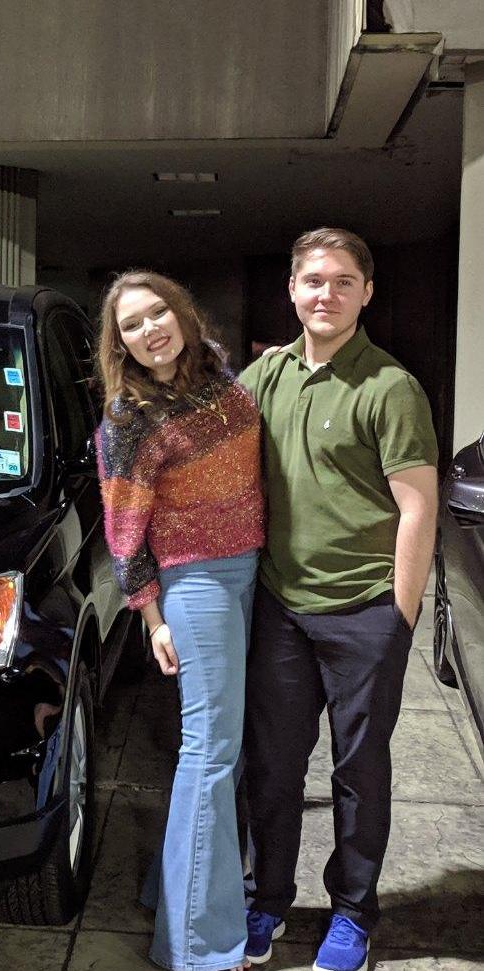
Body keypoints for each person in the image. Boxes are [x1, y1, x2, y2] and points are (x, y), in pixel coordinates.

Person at [238, 228, 439, 971]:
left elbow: (417, 506)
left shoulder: (388, 386)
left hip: (362, 612)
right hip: (281, 607)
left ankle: (352, 914)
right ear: (291, 289)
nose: (326, 293)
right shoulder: (266, 377)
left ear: (365, 292)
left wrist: (400, 616)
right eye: (313, 280)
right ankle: (266, 901)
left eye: (342, 281)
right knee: (272, 767)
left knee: (358, 773)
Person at [95, 270, 264, 971]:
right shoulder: (129, 419)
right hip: (193, 584)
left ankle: (181, 894)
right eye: (130, 326)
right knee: (209, 752)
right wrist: (152, 616)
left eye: (155, 312)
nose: (147, 330)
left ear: (182, 312)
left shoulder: (221, 378)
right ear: (119, 345)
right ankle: (196, 946)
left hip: (248, 571)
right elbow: (122, 529)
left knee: (226, 750)